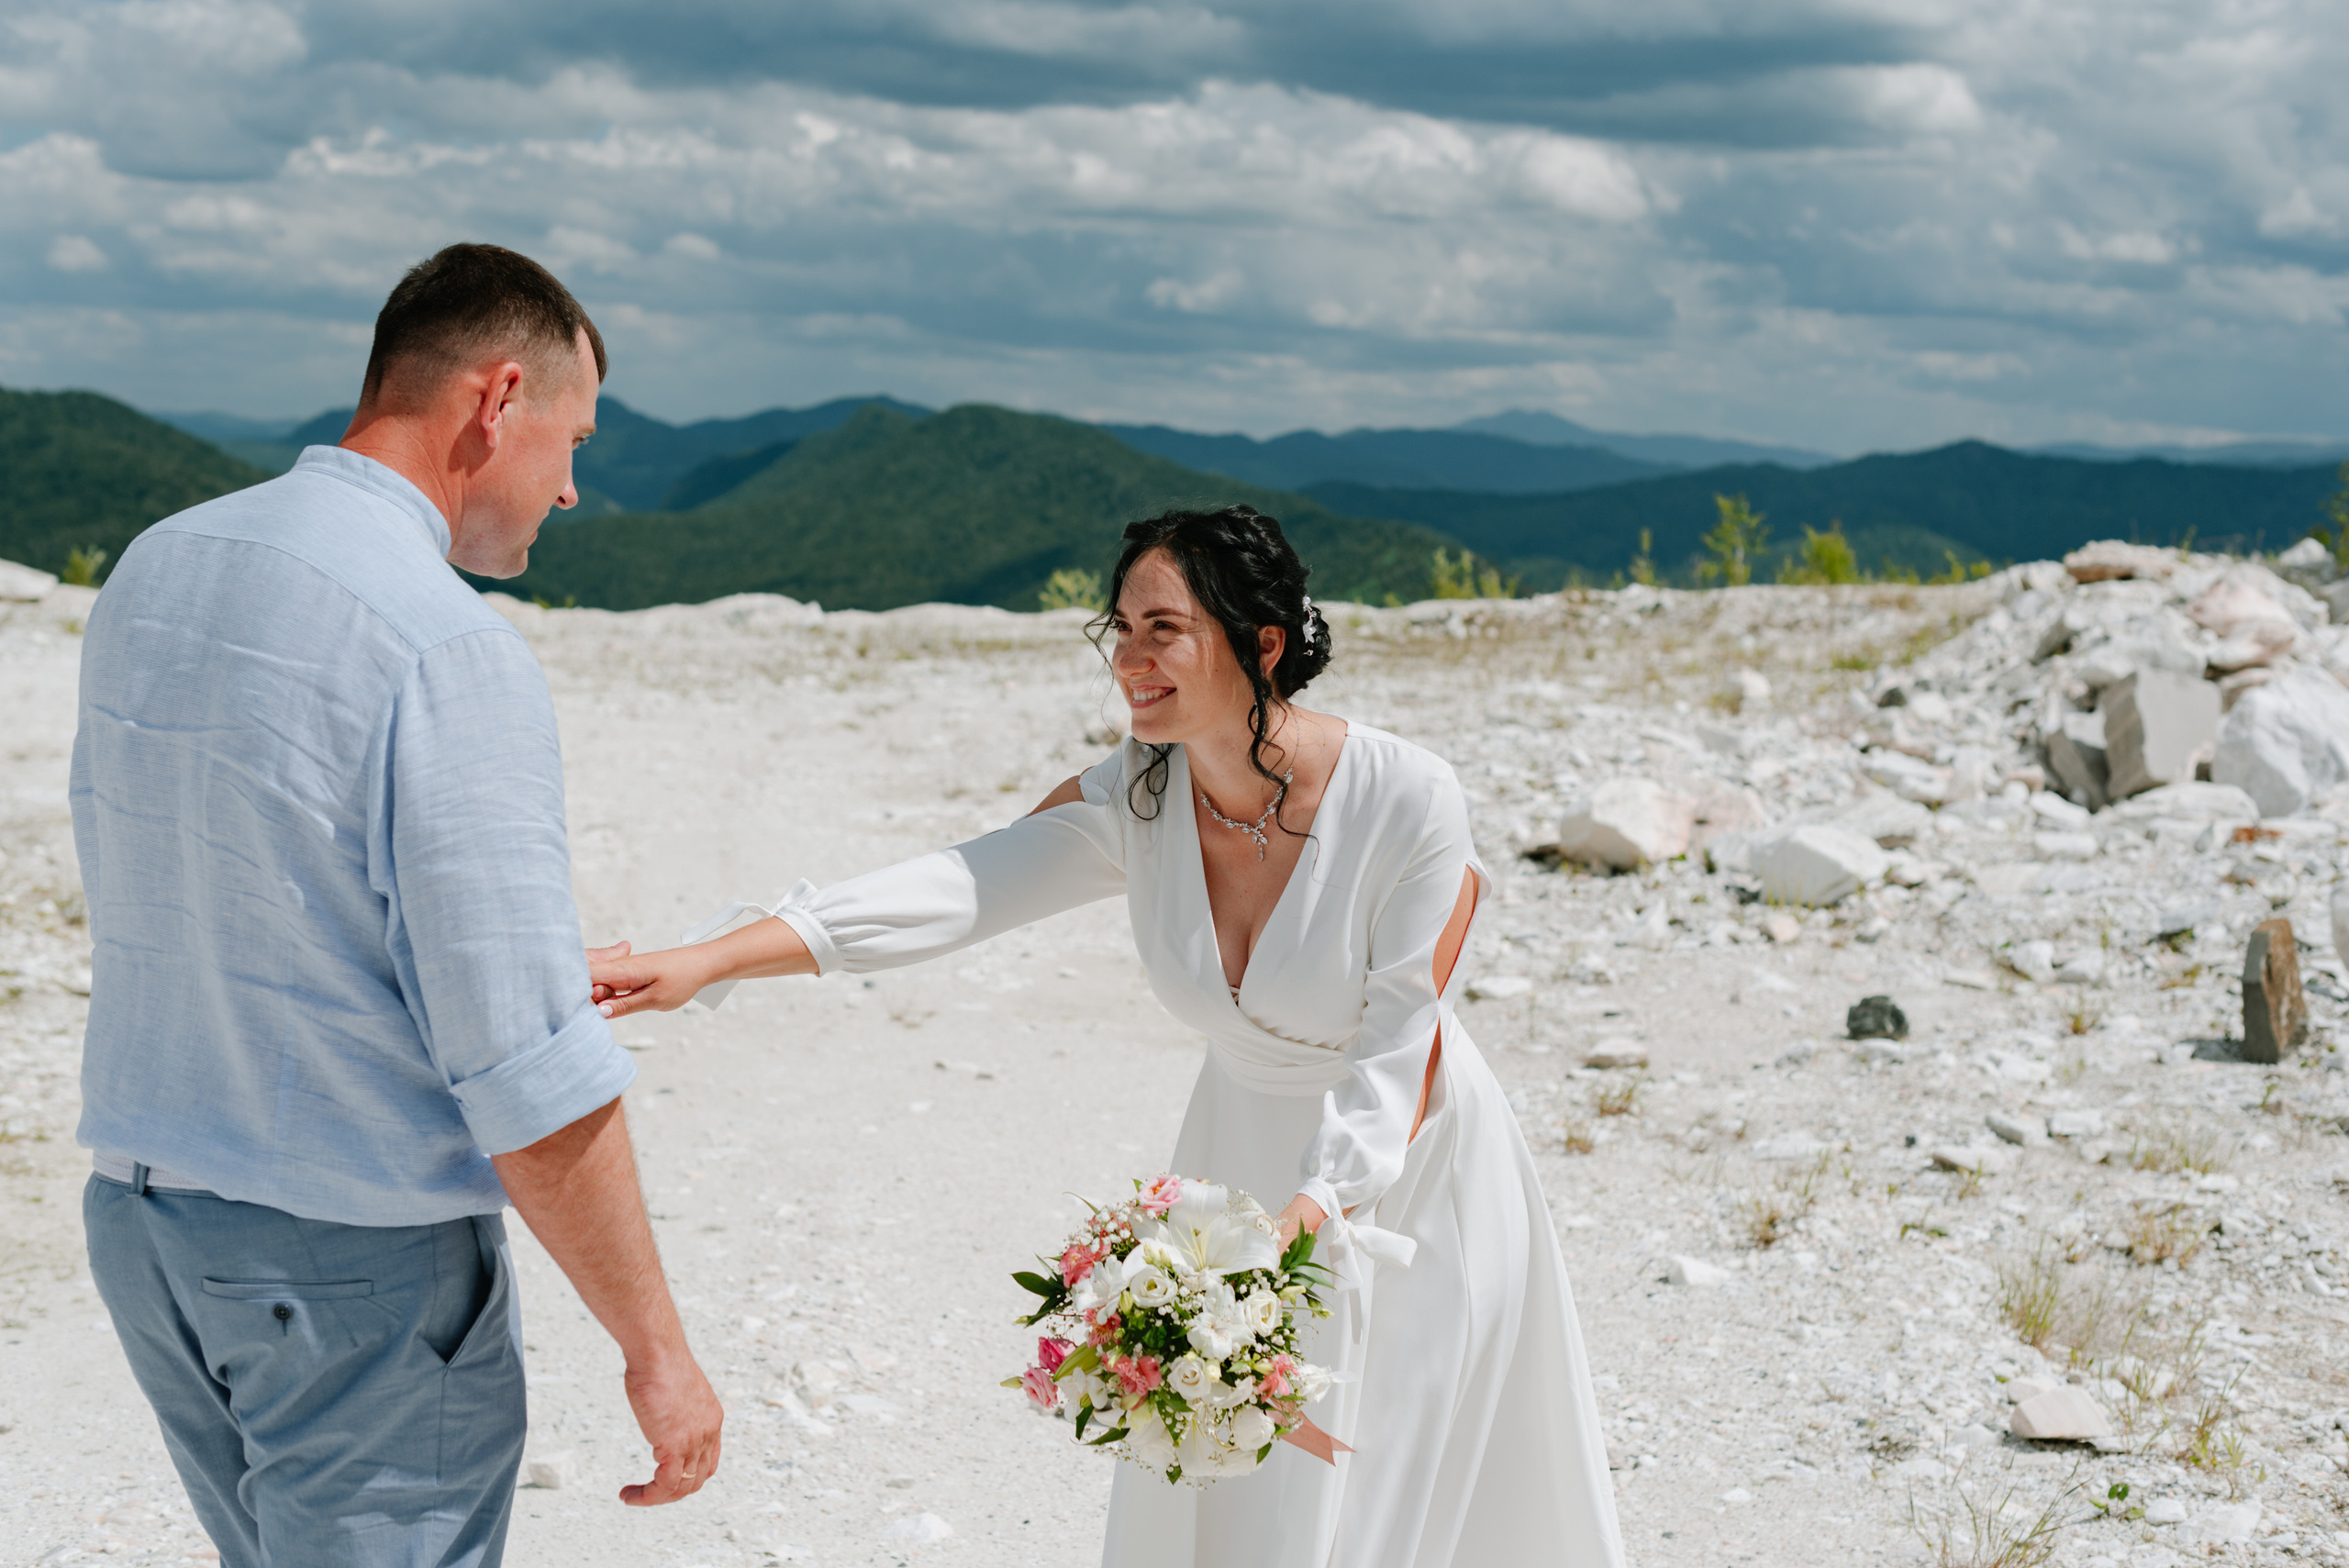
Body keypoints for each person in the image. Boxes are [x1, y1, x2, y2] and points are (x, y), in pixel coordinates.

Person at [588, 505, 1625, 1567]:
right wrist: (707, 959)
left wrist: (1305, 1222)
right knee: (1236, 1483)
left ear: (1262, 643)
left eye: (1163, 628)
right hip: (1237, 1155)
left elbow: (1397, 1042)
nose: (1129, 658)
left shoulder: (1407, 795)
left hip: (1408, 1169)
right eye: (1119, 627)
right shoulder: (1137, 794)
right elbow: (956, 889)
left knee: (1384, 1496)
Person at [71, 242, 722, 1568]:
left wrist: (512, 956)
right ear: (497, 402)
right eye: (573, 437)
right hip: (347, 1264)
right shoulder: (445, 642)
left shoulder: (160, 565)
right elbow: (527, 1076)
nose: (575, 485)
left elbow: (222, 879)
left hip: (150, 1226)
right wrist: (658, 1350)